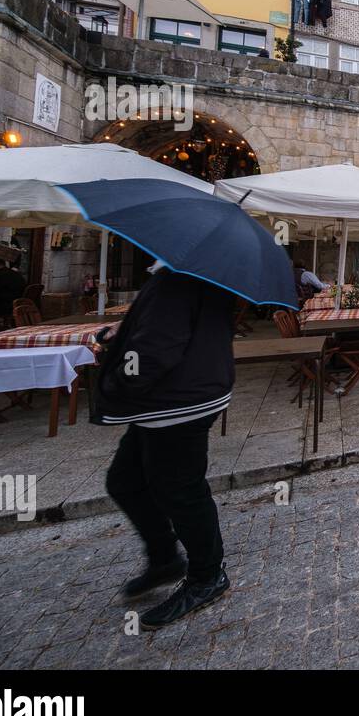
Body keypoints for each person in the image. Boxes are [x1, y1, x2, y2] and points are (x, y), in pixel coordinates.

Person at [96, 262, 235, 630]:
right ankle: (164, 558)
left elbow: (156, 348)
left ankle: (207, 575)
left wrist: (115, 386)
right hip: (179, 397)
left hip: (176, 402)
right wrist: (124, 333)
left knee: (182, 491)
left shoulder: (177, 278)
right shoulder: (203, 274)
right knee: (125, 480)